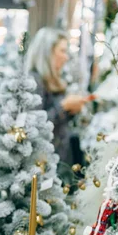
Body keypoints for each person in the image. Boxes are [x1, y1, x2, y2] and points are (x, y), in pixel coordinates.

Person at [26, 27, 89, 168]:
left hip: (58, 159)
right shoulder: (33, 82)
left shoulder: (52, 81)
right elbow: (33, 128)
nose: (66, 57)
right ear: (47, 53)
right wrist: (64, 107)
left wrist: (72, 109)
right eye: (62, 51)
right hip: (42, 164)